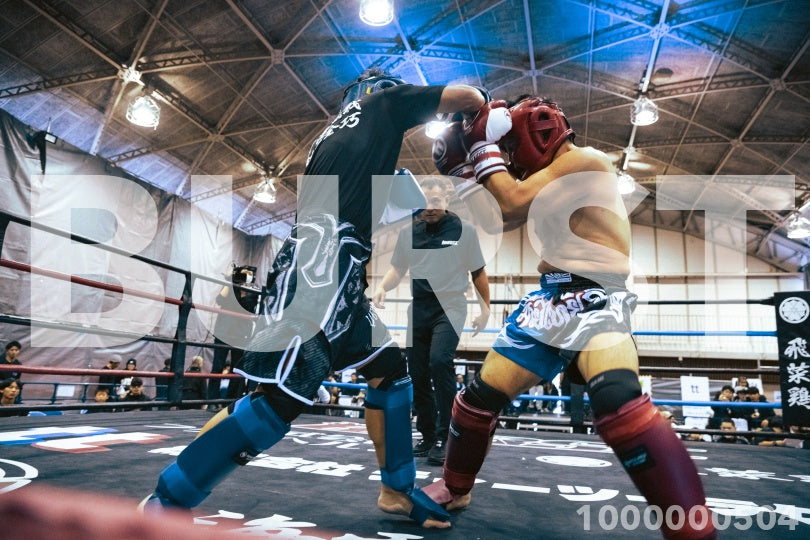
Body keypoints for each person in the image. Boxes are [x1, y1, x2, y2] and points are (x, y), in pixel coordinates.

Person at [141, 67, 487, 529]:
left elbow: (385, 205)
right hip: (318, 272)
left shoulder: (331, 139)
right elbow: (468, 96)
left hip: (342, 276)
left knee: (391, 374)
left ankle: (397, 490)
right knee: (277, 402)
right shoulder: (382, 105)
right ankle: (169, 497)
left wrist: (407, 193)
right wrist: (485, 128)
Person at [423, 96, 716, 539]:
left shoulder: (586, 160)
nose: (509, 159)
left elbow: (511, 202)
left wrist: (480, 148)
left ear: (534, 135)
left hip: (597, 297)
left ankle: (692, 528)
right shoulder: (542, 178)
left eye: (509, 147)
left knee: (617, 400)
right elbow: (498, 219)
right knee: (476, 401)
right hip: (550, 300)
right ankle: (456, 487)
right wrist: (465, 175)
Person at [373, 176, 490, 465]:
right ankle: (427, 435)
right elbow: (397, 269)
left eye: (435, 200)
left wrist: (485, 309)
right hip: (420, 308)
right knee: (418, 371)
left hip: (450, 305)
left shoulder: (464, 231)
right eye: (423, 201)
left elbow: (478, 272)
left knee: (439, 361)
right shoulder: (408, 233)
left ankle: (445, 435)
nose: (430, 206)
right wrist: (382, 287)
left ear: (447, 200)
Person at [209, 266, 260, 401]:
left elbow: (248, 307)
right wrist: (229, 281)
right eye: (243, 274)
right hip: (223, 332)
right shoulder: (229, 288)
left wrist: (244, 288)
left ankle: (231, 399)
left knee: (236, 369)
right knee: (217, 366)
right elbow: (219, 300)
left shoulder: (253, 292)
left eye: (248, 275)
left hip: (240, 334)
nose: (245, 277)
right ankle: (212, 400)